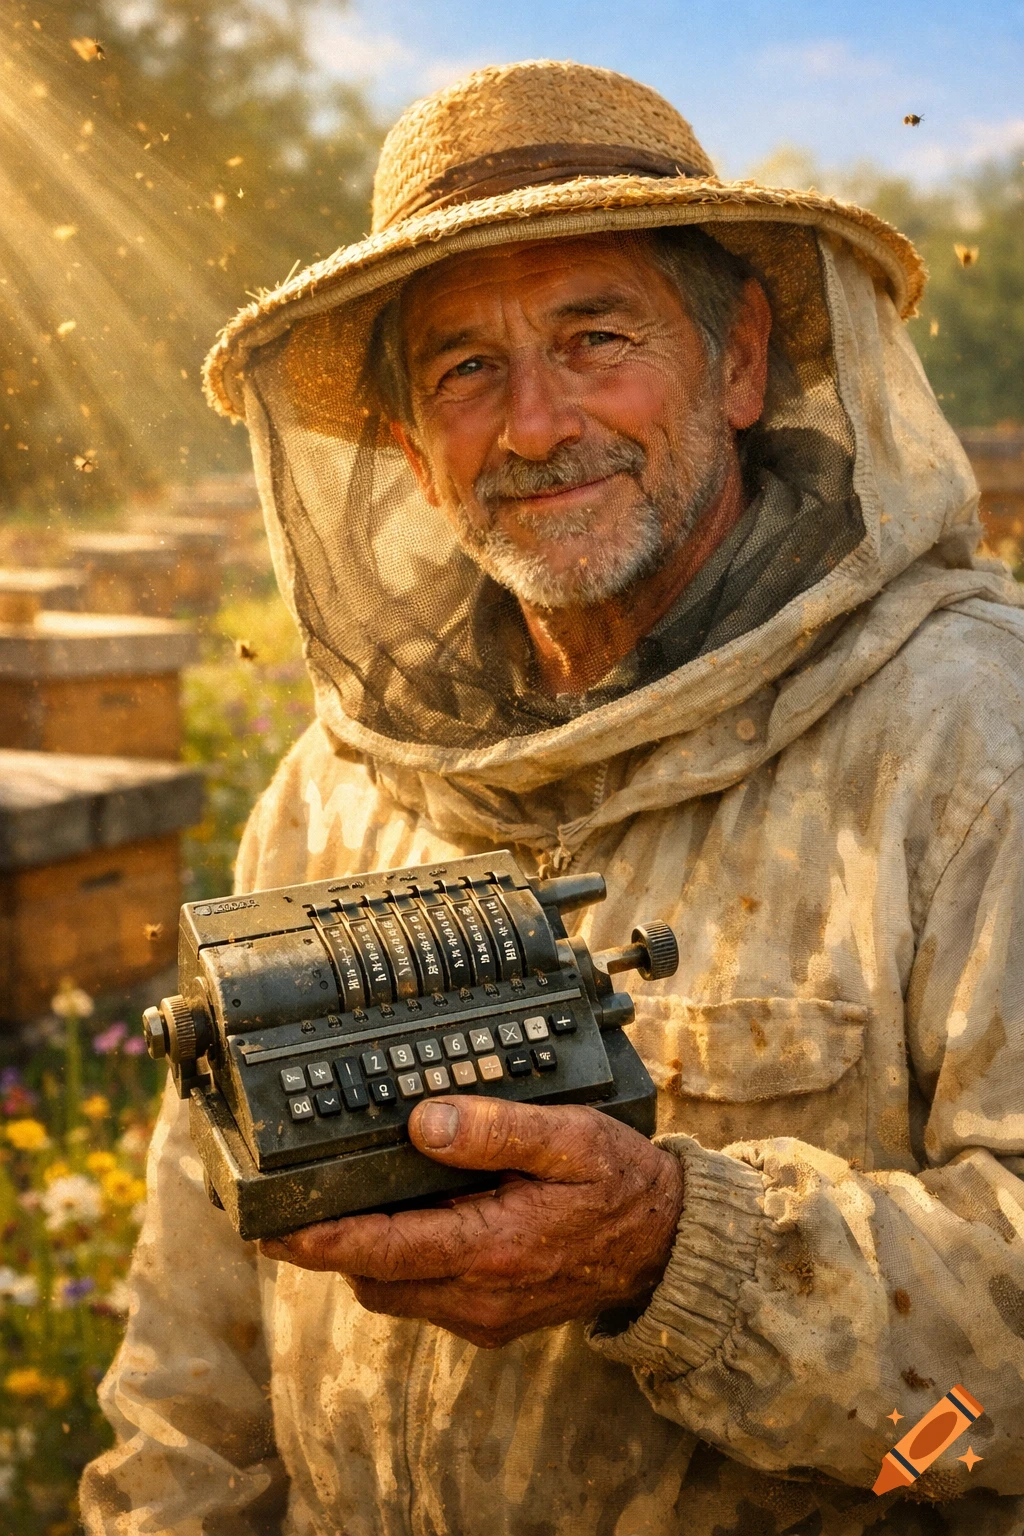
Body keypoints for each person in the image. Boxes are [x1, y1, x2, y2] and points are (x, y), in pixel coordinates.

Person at [82, 60, 1024, 1536]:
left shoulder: (978, 737)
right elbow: (196, 1335)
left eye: (597, 337)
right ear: (403, 437)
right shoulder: (332, 789)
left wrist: (671, 1251)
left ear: (738, 361)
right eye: (465, 369)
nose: (531, 425)